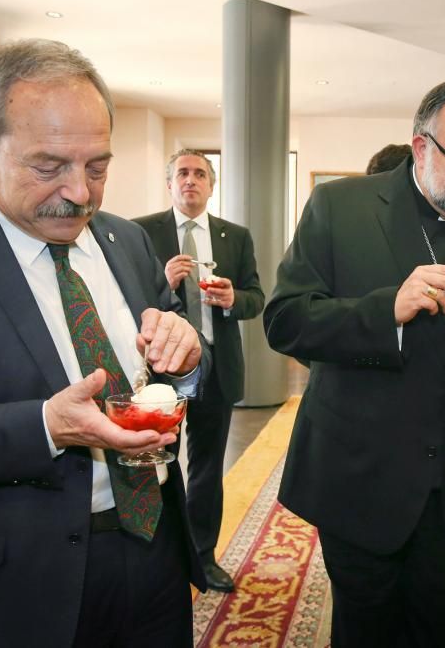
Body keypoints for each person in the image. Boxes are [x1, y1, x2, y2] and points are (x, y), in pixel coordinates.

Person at [0, 39, 209, 648]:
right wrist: (45, 426)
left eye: (98, 167)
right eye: (48, 166)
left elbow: (174, 360)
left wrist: (188, 354)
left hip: (153, 550)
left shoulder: (126, 240)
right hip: (8, 584)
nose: (81, 194)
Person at [263, 76, 445, 646]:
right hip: (361, 475)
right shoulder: (341, 206)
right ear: (420, 146)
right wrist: (385, 309)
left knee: (438, 627)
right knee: (367, 630)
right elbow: (285, 321)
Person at [134, 149, 264, 593]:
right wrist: (161, 286)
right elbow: (126, 300)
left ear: (211, 185)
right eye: (182, 173)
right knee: (156, 463)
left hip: (217, 366)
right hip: (159, 372)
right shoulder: (139, 232)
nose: (191, 180)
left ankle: (203, 558)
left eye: (200, 174)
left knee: (208, 469)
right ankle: (160, 555)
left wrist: (233, 299)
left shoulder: (235, 236)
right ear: (169, 183)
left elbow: (256, 297)